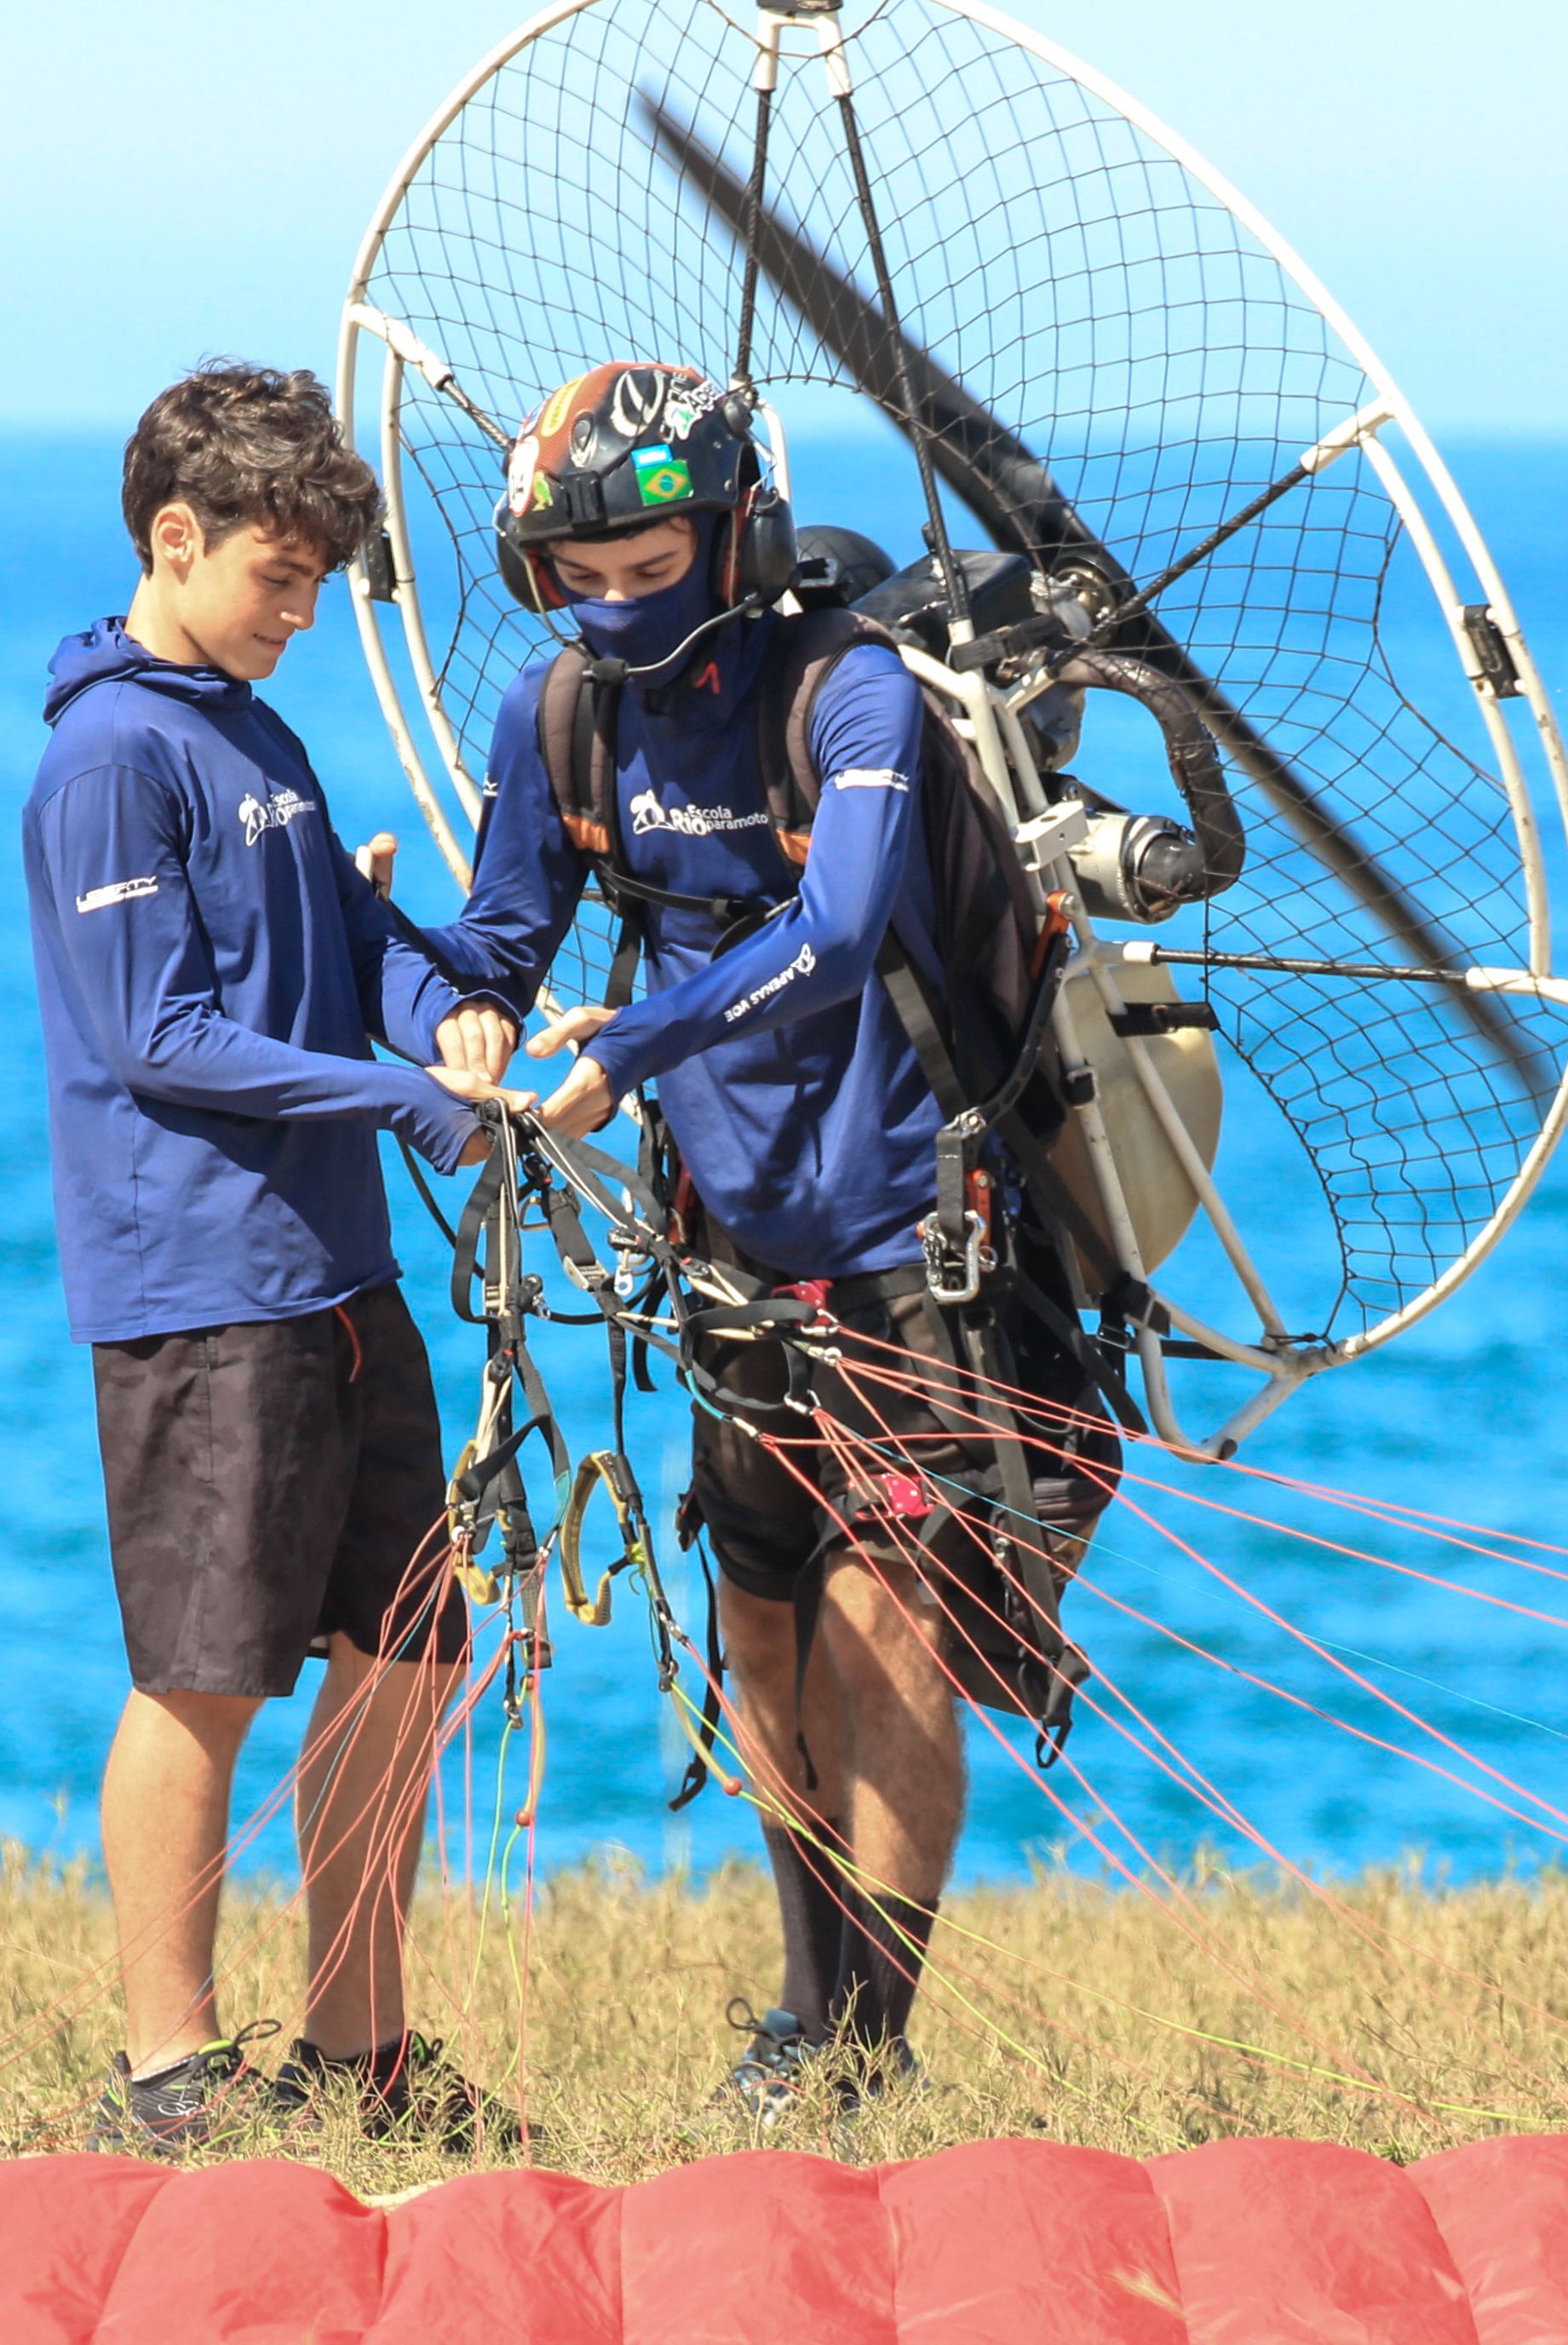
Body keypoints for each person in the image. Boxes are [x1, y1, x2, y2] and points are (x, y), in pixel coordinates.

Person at [415, 359, 1118, 2115]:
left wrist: (631, 1047)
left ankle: (874, 2047)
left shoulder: (851, 698)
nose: (609, 605)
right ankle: (809, 2020)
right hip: (730, 1249)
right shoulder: (557, 717)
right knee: (762, 1635)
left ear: (738, 535)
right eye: (575, 577)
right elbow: (503, 931)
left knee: (892, 1626)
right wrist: (446, 1006)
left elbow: (841, 922)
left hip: (915, 1244)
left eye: (646, 567)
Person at [22, 364, 531, 2155]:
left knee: (405, 1655)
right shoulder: (108, 759)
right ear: (178, 536)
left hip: (339, 1280)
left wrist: (451, 1028)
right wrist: (397, 1097)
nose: (305, 615)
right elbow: (158, 1034)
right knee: (208, 1673)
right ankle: (168, 2077)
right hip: (200, 1295)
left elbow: (359, 931)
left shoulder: (258, 731)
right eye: (281, 578)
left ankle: (359, 2053)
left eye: (326, 583)